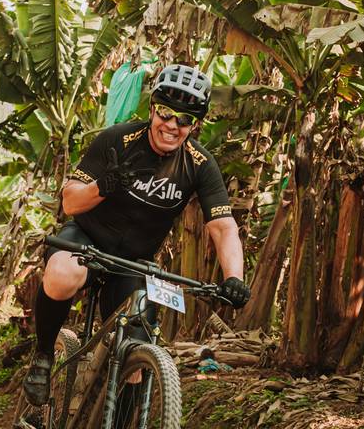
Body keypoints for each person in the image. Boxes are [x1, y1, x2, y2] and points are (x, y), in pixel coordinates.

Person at [24, 64, 250, 406]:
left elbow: (223, 226)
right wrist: (103, 186)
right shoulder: (118, 139)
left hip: (133, 261)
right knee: (62, 273)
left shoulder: (200, 164)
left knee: (136, 357)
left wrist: (234, 277)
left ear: (194, 125)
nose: (172, 125)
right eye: (166, 113)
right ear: (152, 109)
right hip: (87, 240)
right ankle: (43, 355)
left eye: (184, 119)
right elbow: (69, 202)